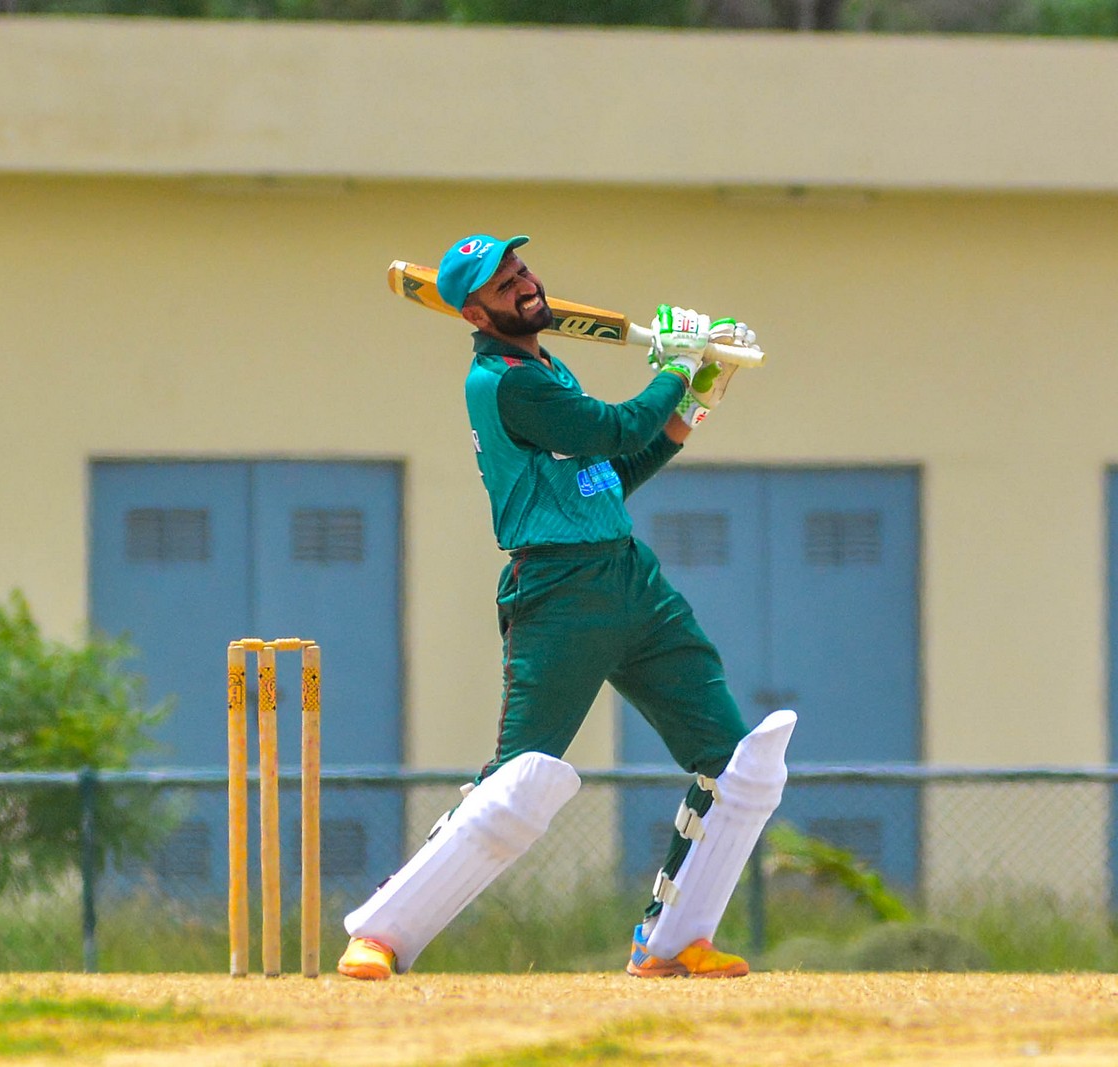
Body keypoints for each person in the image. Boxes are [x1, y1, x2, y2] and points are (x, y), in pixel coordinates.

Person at [337, 234, 795, 980]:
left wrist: (693, 404)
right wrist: (677, 366)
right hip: (558, 592)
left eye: (521, 269)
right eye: (503, 284)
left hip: (629, 577)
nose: (524, 284)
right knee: (517, 785)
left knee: (739, 766)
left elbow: (610, 474)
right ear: (474, 314)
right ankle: (380, 933)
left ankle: (672, 941)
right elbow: (611, 428)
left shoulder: (547, 367)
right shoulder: (505, 383)